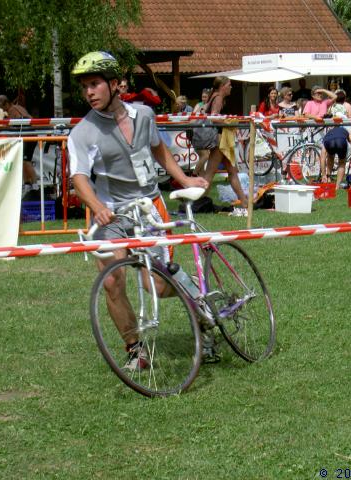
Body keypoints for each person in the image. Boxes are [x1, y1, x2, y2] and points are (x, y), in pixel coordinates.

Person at [67, 51, 208, 369]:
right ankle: (135, 351)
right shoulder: (83, 132)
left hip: (148, 207)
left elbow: (158, 149)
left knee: (155, 284)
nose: (89, 92)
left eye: (94, 84)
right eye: (84, 87)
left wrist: (184, 178)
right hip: (111, 214)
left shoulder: (144, 114)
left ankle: (195, 295)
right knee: (111, 281)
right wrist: (97, 207)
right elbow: (79, 178)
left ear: (114, 84)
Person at [199, 76, 248, 216]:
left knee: (232, 172)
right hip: (221, 141)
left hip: (222, 140)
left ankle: (244, 202)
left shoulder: (213, 96)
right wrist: (229, 122)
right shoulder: (218, 97)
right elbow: (214, 117)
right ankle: (196, 202)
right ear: (222, 86)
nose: (231, 87)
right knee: (210, 174)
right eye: (229, 84)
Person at [4, 96, 39, 189]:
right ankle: (27, 182)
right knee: (23, 160)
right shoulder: (19, 107)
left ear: (7, 104)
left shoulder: (12, 110)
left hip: (27, 135)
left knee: (26, 161)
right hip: (30, 134)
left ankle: (35, 184)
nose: (3, 110)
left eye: (3, 107)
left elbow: (12, 127)